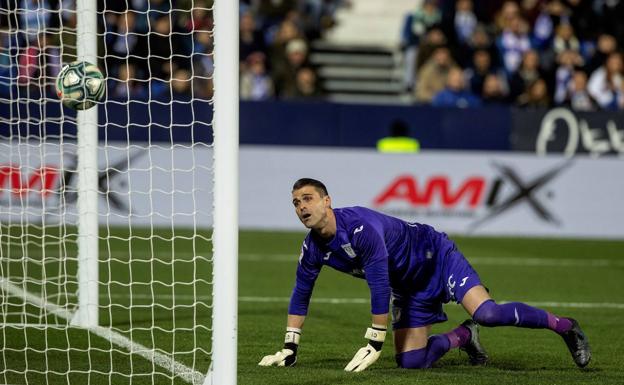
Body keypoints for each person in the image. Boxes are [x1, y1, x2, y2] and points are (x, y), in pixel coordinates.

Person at [258, 178, 591, 371]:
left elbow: (378, 281)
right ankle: (464, 337)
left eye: (308, 199)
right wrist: (290, 345)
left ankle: (565, 327)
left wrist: (375, 339)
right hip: (409, 287)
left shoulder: (360, 227)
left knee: (488, 313)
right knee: (411, 362)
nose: (302, 207)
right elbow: (302, 292)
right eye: (295, 203)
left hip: (436, 257)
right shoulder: (313, 248)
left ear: (327, 201)